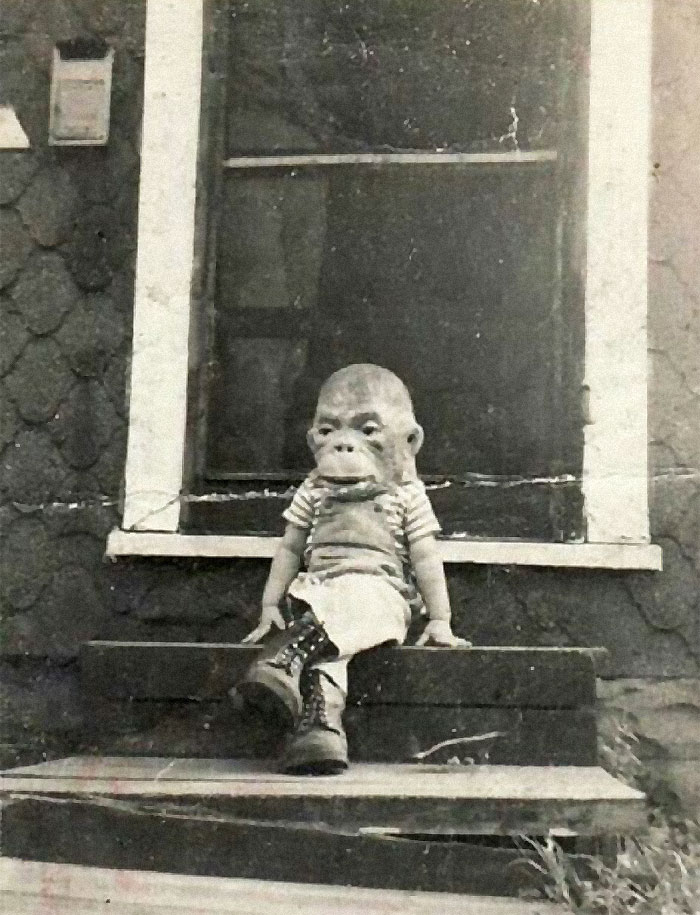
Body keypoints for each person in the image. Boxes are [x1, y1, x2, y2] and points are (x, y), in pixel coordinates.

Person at [232, 364, 469, 774]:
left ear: (409, 442)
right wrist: (270, 603)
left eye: (367, 431)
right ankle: (321, 728)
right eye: (329, 431)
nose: (344, 445)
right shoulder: (315, 492)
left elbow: (426, 556)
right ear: (312, 440)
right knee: (333, 651)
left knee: (361, 604)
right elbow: (290, 546)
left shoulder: (406, 496)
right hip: (319, 589)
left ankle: (286, 656)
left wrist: (440, 618)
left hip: (381, 594)